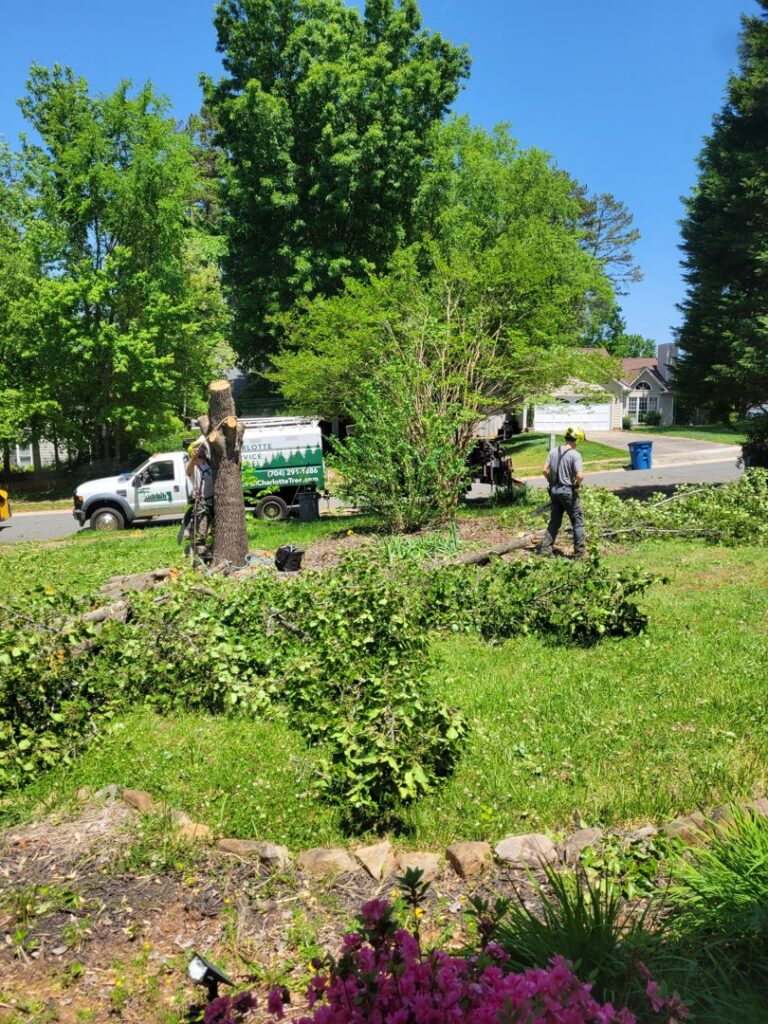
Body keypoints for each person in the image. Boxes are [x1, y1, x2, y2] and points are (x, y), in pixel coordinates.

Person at [539, 426, 586, 558]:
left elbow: (544, 470)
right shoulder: (575, 455)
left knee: (554, 522)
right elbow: (580, 475)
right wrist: (576, 485)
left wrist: (551, 482)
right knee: (577, 522)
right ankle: (579, 554)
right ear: (576, 439)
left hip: (554, 491)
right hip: (568, 492)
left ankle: (546, 550)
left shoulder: (553, 451)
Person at [185, 442, 214, 547]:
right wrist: (193, 459)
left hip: (214, 498)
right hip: (202, 500)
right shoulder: (192, 465)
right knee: (202, 529)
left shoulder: (209, 463)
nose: (200, 450)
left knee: (216, 527)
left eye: (202, 448)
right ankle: (199, 551)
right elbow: (188, 472)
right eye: (198, 449)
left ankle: (213, 547)